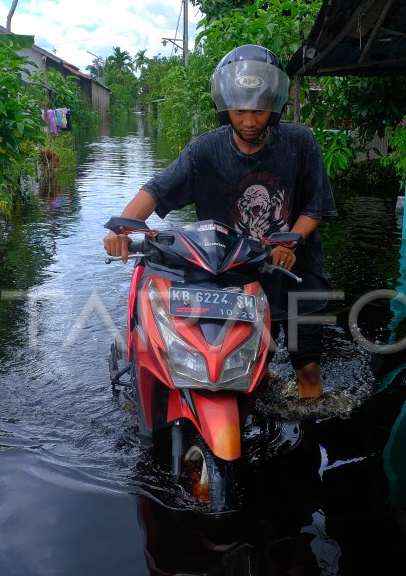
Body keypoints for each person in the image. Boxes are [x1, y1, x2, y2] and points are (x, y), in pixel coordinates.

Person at [103, 44, 337, 398]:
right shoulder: (204, 151)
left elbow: (315, 208)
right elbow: (156, 191)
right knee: (249, 370)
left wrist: (289, 242)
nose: (247, 121)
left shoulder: (299, 143)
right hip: (235, 283)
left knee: (307, 369)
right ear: (225, 105)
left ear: (273, 107)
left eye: (258, 111)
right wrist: (122, 226)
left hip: (295, 275)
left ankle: (311, 433)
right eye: (239, 110)